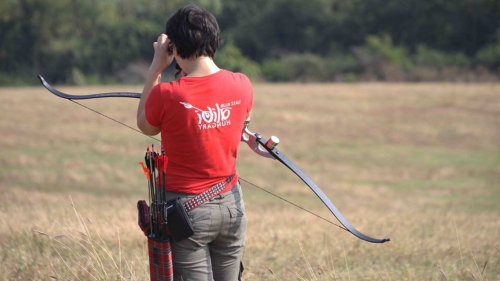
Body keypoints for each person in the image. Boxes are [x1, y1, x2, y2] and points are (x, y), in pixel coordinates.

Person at [136, 5, 252, 281]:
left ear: (174, 48)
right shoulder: (242, 84)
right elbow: (240, 126)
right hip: (232, 206)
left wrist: (156, 67)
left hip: (188, 213)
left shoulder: (167, 94)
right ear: (214, 41)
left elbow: (145, 124)